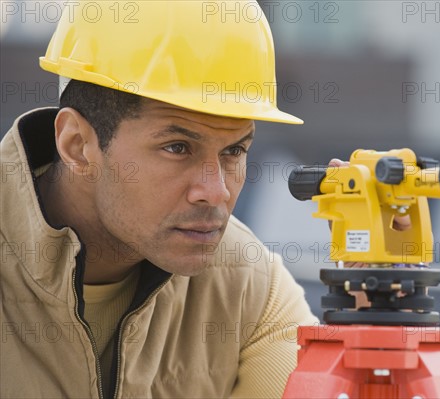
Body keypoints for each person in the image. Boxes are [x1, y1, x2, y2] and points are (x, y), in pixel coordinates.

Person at [0, 2, 318, 398]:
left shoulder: (250, 287)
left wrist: (371, 324)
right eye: (177, 147)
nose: (215, 190)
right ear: (77, 145)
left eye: (234, 151)